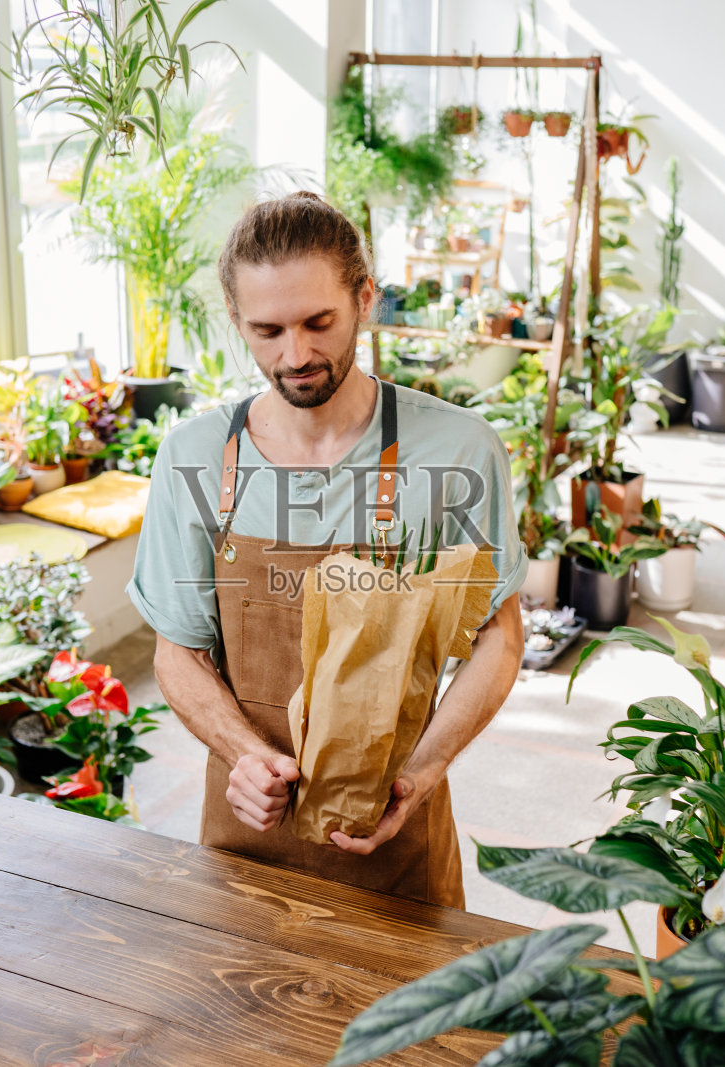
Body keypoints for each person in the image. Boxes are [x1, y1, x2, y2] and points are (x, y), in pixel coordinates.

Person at [126, 191, 525, 908]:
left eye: (320, 322)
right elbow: (176, 653)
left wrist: (423, 772)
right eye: (268, 330)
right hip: (248, 841)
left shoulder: (459, 451)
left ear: (365, 298)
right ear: (236, 321)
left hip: (396, 845)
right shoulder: (194, 458)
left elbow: (499, 635)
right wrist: (246, 758)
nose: (297, 354)